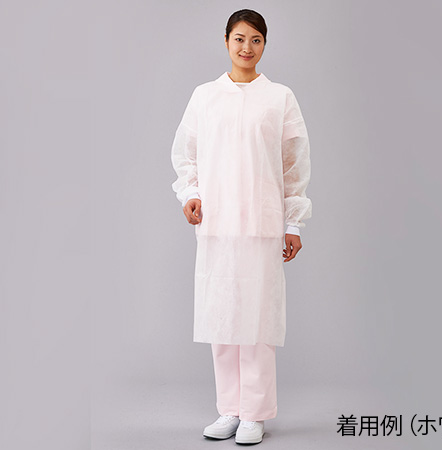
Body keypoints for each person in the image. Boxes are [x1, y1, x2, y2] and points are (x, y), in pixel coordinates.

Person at [170, 9, 312, 445]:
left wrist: (293, 222)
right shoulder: (205, 96)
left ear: (264, 44)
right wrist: (190, 194)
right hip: (218, 224)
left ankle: (254, 413)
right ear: (226, 40)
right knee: (222, 318)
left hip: (262, 223)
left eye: (255, 40)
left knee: (257, 320)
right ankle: (229, 409)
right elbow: (186, 154)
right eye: (239, 38)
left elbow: (294, 164)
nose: (246, 47)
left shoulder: (279, 98)